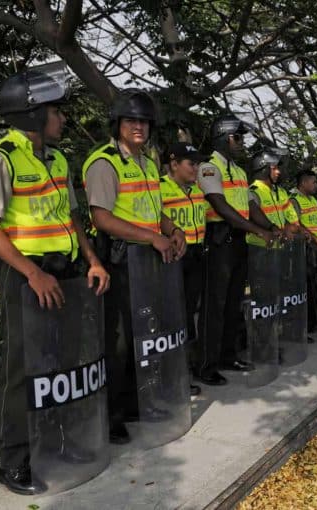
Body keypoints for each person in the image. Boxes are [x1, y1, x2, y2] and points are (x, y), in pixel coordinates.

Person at [0, 66, 110, 494]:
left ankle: (60, 444)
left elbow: (72, 218)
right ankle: (13, 462)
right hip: (27, 279)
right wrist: (33, 273)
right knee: (22, 371)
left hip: (65, 276)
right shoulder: (0, 157)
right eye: (56, 111)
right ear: (33, 114)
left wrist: (92, 260)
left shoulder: (57, 159)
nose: (63, 118)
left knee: (63, 364)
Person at [82, 88, 187, 444]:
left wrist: (172, 229)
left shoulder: (148, 161)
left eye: (143, 121)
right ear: (118, 124)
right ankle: (111, 417)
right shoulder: (104, 162)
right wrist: (152, 237)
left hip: (147, 260)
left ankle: (137, 404)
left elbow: (151, 208)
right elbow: (102, 218)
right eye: (131, 120)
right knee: (119, 342)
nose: (138, 126)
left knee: (145, 335)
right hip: (120, 258)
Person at [195, 115, 274, 385]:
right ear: (225, 138)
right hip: (219, 239)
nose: (241, 143)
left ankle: (228, 356)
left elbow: (250, 207)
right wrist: (257, 230)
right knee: (214, 306)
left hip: (238, 239)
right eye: (238, 138)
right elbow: (220, 206)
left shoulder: (239, 171)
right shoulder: (209, 167)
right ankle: (207, 365)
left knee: (233, 303)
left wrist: (271, 227)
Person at [160, 142, 211, 396]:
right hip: (172, 259)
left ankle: (183, 373)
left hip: (196, 256)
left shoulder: (198, 191)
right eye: (192, 163)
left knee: (188, 314)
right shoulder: (159, 188)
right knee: (171, 318)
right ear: (174, 164)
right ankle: (168, 376)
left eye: (198, 164)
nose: (196, 168)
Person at [290, 170, 317, 339]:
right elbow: (296, 225)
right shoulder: (294, 200)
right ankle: (302, 327)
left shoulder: (312, 199)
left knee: (313, 287)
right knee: (303, 289)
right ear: (303, 183)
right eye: (313, 182)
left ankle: (312, 322)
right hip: (301, 251)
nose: (316, 185)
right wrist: (314, 240)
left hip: (315, 250)